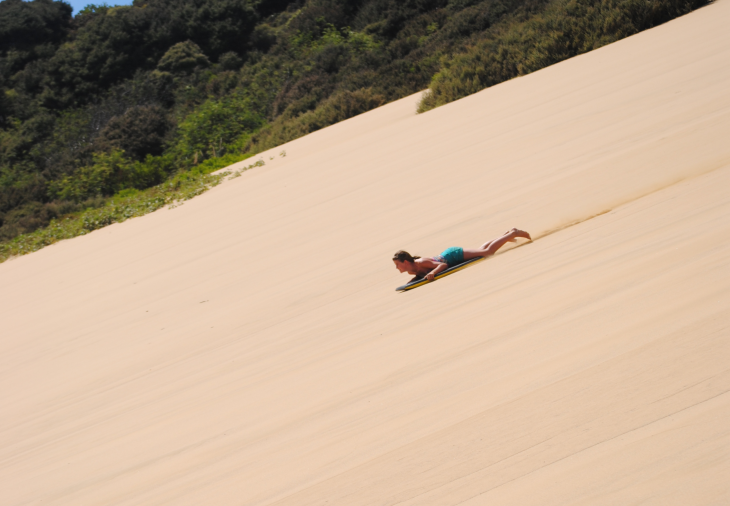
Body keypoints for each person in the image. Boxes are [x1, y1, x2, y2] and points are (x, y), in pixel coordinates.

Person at [393, 228, 531, 282]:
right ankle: (505, 235)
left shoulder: (421, 262)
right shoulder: (412, 272)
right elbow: (419, 276)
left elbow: (443, 265)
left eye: (397, 265)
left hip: (452, 255)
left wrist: (433, 273)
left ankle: (513, 234)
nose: (397, 268)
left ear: (405, 262)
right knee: (481, 249)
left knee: (487, 253)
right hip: (449, 256)